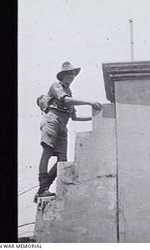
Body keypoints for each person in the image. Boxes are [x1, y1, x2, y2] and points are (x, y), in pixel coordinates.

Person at [34, 61, 103, 203]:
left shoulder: (70, 92)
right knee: (47, 152)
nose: (71, 76)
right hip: (52, 120)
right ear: (63, 75)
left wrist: (95, 117)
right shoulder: (56, 86)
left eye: (73, 73)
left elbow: (75, 117)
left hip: (63, 125)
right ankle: (43, 186)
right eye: (69, 73)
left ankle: (44, 187)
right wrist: (89, 102)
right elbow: (65, 100)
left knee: (62, 160)